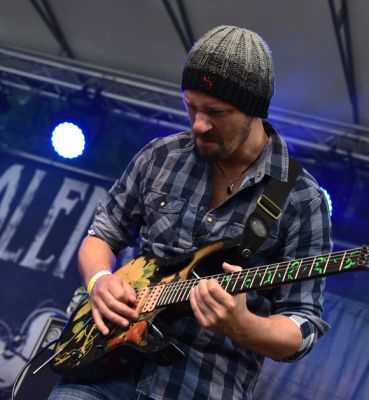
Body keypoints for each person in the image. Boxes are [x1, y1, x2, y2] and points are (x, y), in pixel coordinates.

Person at [49, 25, 332, 400]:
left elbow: (302, 324)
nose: (199, 124)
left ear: (255, 110)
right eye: (190, 106)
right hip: (100, 371)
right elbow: (101, 234)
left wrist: (243, 325)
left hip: (202, 386)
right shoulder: (161, 156)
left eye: (216, 112)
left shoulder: (302, 199)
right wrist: (100, 281)